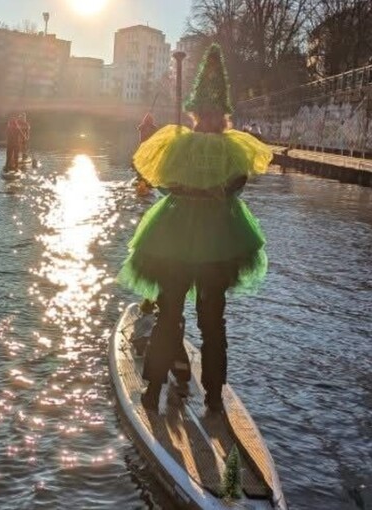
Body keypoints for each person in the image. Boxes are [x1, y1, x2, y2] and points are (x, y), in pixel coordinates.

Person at [118, 44, 271, 413]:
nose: (209, 118)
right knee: (191, 318)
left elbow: (166, 182)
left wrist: (187, 188)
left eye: (212, 113)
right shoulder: (215, 146)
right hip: (211, 239)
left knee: (192, 318)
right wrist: (201, 189)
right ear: (201, 114)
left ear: (216, 115)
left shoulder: (193, 144)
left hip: (189, 238)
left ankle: (186, 392)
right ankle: (175, 391)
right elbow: (232, 183)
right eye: (206, 113)